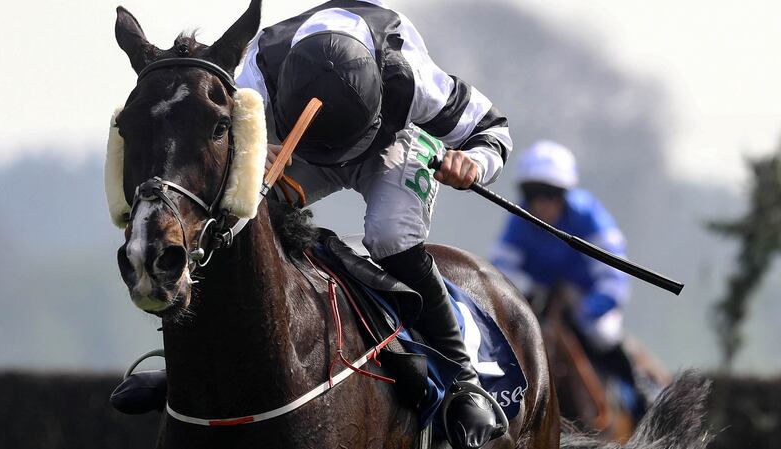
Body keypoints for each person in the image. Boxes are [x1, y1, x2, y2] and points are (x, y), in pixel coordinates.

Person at [235, 1, 512, 447]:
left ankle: (463, 381)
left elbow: (493, 130)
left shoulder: (409, 75)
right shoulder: (256, 72)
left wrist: (473, 162)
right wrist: (246, 147)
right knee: (240, 215)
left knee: (390, 235)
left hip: (389, 144)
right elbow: (211, 143)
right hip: (294, 145)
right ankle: (193, 367)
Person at [489, 140, 645, 416]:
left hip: (586, 302)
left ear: (565, 194)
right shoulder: (518, 218)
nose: (541, 204)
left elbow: (614, 278)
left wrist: (587, 311)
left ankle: (640, 400)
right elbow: (500, 271)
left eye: (550, 194)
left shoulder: (589, 216)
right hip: (541, 299)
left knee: (604, 335)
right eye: (533, 194)